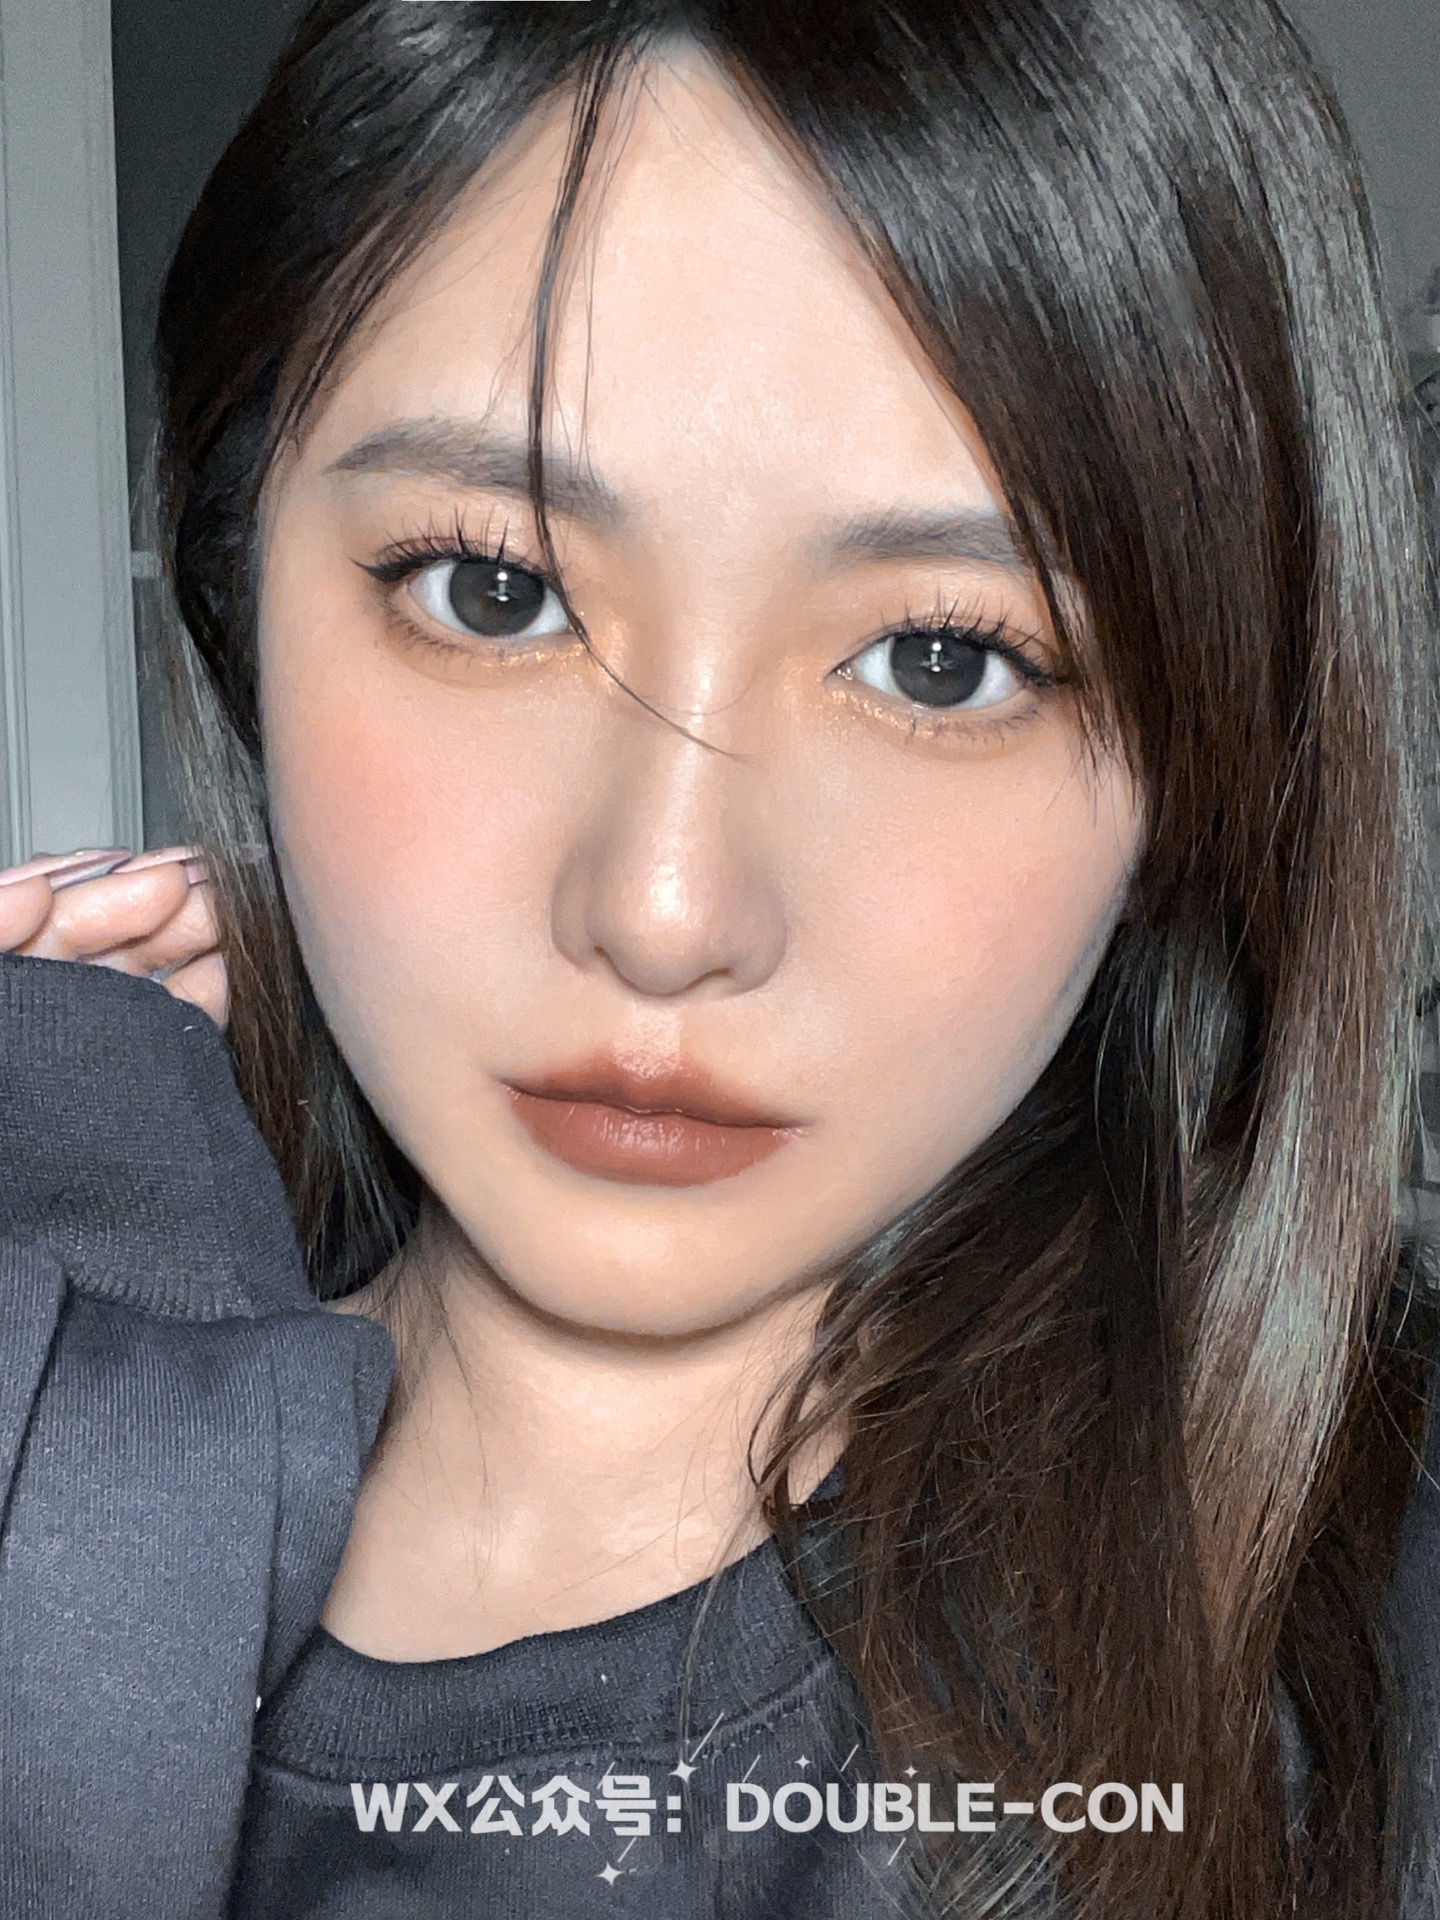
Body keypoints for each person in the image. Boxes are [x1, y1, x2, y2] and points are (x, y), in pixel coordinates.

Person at [0, 1, 1434, 1915]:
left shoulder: (1364, 1682)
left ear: (1198, 761)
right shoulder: (56, 1460)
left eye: (944, 660)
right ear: (234, 584)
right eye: (495, 593)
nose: (666, 908)